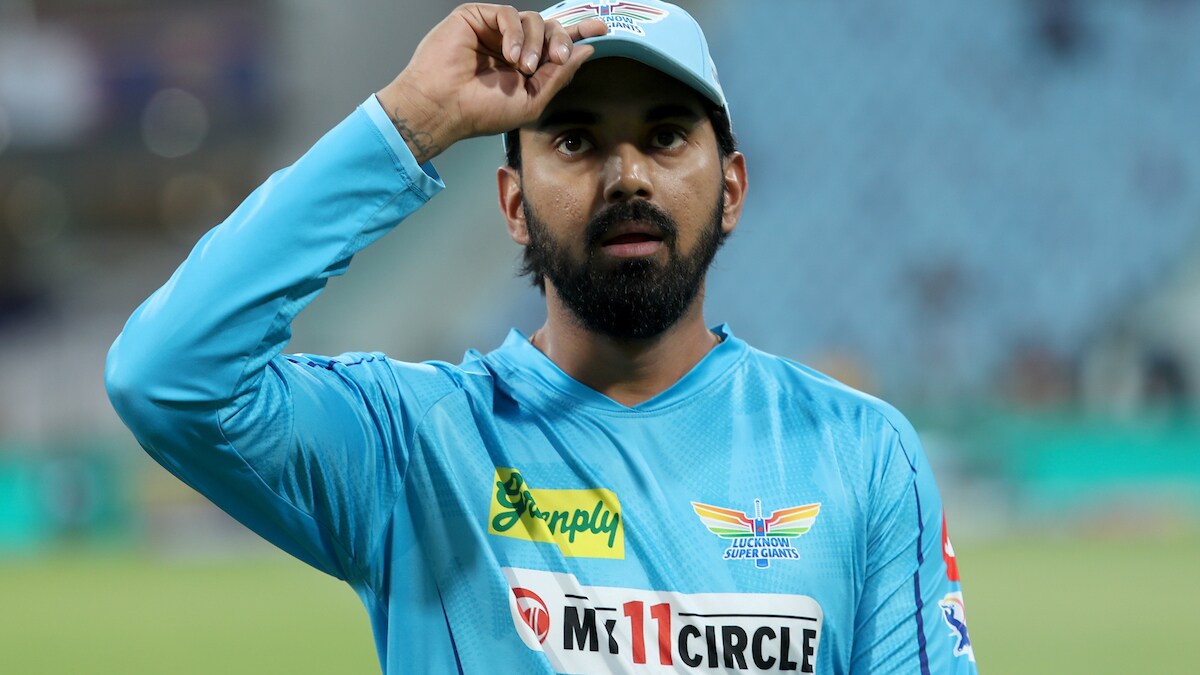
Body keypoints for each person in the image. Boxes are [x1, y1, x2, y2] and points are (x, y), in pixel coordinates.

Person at [105, 1, 978, 673]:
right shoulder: (412, 446)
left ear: (733, 190)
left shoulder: (862, 451)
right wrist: (410, 120)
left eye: (665, 135)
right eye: (575, 139)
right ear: (514, 205)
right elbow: (166, 375)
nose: (626, 175)